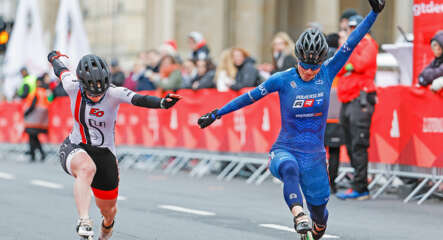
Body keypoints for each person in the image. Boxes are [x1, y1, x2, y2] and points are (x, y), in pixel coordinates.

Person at [197, 1, 384, 239]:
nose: (309, 71)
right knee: (288, 168)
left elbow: (351, 42)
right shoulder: (281, 79)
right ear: (298, 58)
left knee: (320, 217)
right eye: (305, 66)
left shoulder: (327, 71)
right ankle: (298, 215)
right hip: (285, 148)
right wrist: (216, 113)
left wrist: (374, 14)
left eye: (313, 67)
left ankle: (313, 223)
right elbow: (248, 98)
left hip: (314, 156)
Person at [47, 50, 182, 239]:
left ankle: (105, 229)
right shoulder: (72, 86)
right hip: (76, 145)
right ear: (82, 84)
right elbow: (60, 69)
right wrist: (53, 57)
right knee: (86, 168)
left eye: (100, 91)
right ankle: (84, 220)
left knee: (109, 211)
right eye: (91, 92)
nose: (96, 96)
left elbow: (138, 99)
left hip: (105, 155)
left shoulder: (113, 93)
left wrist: (162, 103)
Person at [335, 14, 379, 200]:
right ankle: (358, 182)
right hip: (347, 99)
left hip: (360, 98)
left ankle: (361, 186)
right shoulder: (353, 45)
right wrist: (350, 63)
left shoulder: (368, 43)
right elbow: (340, 67)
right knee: (350, 142)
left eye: (353, 28)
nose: (350, 31)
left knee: (359, 143)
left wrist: (350, 52)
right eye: (349, 28)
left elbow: (360, 64)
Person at [324, 33, 345, 194]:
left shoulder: (321, 58)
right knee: (335, 151)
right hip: (337, 111)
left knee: (320, 151)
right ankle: (332, 184)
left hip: (323, 113)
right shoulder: (342, 56)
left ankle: (322, 182)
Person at [18, 71, 53, 162]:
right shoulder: (45, 91)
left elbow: (33, 105)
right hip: (41, 118)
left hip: (33, 118)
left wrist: (26, 114)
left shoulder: (37, 92)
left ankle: (35, 154)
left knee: (32, 136)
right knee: (33, 136)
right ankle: (39, 154)